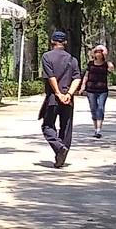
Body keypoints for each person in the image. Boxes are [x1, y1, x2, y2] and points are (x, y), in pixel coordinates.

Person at [38, 30, 83, 168]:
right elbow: (77, 78)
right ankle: (62, 152)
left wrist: (58, 93)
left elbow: (51, 77)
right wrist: (69, 94)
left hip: (53, 98)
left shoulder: (47, 57)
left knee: (47, 125)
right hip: (68, 100)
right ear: (65, 43)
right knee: (66, 127)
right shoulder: (72, 59)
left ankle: (58, 148)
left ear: (52, 42)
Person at [83, 45, 112, 137]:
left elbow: (111, 69)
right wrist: (83, 86)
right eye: (96, 53)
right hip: (91, 89)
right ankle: (95, 127)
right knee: (93, 108)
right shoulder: (90, 64)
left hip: (102, 89)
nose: (98, 55)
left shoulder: (106, 64)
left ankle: (98, 129)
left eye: (100, 53)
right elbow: (86, 76)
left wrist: (108, 60)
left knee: (100, 108)